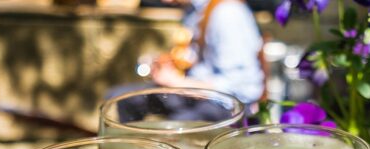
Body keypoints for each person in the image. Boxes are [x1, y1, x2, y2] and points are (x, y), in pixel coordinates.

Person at [106, 0, 264, 109]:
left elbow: (243, 90)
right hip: (197, 95)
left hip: (221, 107)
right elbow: (197, 61)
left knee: (177, 123)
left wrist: (178, 83)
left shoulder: (227, 13)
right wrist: (170, 65)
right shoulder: (193, 11)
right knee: (120, 98)